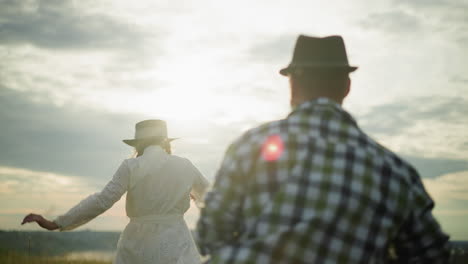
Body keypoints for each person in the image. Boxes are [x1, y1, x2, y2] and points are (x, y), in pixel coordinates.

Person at [196, 35, 450, 263]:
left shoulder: (250, 145)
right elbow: (431, 255)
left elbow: (210, 233)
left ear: (292, 85)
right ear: (346, 86)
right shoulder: (395, 172)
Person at [22, 119, 210, 264]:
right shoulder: (184, 166)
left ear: (139, 144)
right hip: (176, 243)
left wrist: (56, 223)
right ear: (165, 142)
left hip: (138, 244)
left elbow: (102, 201)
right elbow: (213, 199)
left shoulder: (131, 166)